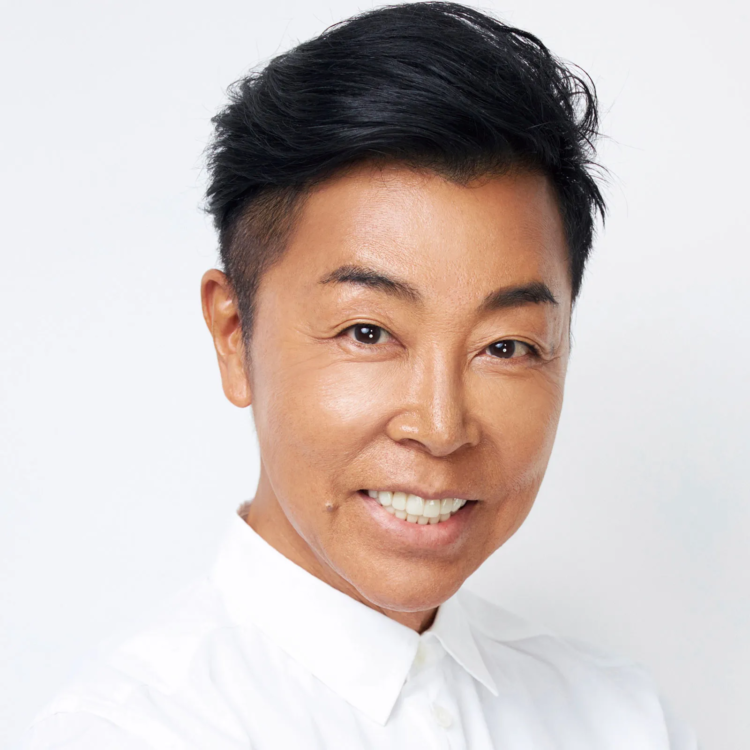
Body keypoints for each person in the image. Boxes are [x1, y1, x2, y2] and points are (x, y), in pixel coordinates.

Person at [18, 2, 698, 747]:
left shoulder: (624, 720)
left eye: (506, 347)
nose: (440, 427)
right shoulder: (126, 733)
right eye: (368, 332)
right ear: (235, 337)